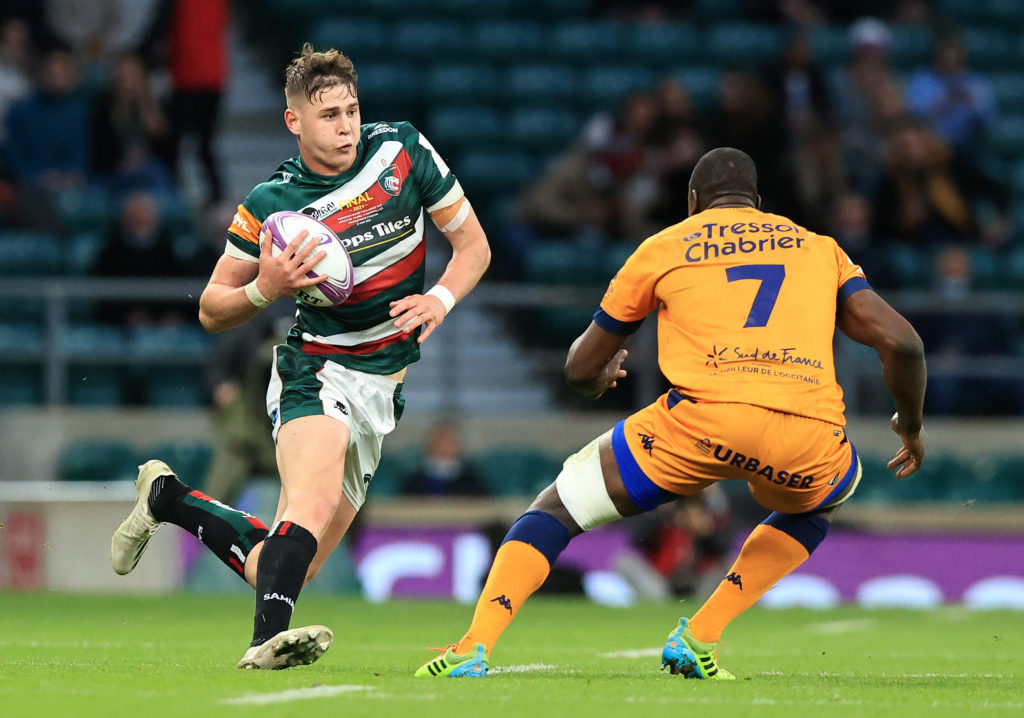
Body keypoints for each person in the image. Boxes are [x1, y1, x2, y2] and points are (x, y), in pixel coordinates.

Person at [414, 147, 926, 679]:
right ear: (758, 204)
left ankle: (473, 646)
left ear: (693, 202)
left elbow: (578, 367)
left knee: (556, 509)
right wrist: (908, 426)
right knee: (826, 497)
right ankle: (699, 637)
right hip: (803, 432)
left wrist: (599, 379)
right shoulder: (820, 249)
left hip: (700, 425)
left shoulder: (664, 247)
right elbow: (903, 344)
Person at [109, 44, 491, 670]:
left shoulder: (401, 151)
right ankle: (264, 646)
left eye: (351, 110)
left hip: (382, 385)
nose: (345, 127)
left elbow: (473, 245)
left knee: (287, 564)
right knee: (307, 508)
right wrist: (269, 288)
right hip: (316, 369)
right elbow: (211, 306)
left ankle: (168, 499)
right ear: (294, 122)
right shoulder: (272, 204)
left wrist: (440, 300)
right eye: (329, 116)